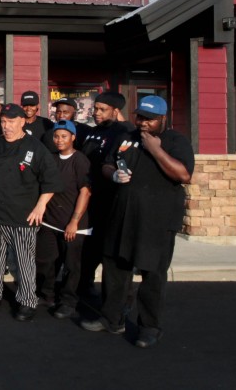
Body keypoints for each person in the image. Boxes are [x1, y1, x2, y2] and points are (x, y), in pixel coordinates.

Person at [80, 95, 194, 348]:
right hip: (122, 216)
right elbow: (107, 165)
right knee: (115, 269)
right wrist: (114, 175)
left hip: (157, 221)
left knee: (152, 275)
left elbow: (184, 175)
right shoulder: (127, 137)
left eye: (150, 120)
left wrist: (155, 150)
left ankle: (149, 327)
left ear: (163, 118)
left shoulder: (176, 141)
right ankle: (112, 319)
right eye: (140, 117)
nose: (143, 123)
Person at [0, 103, 61, 321]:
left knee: (24, 261)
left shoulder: (35, 147)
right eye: (3, 121)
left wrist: (40, 205)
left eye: (11, 122)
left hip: (22, 216)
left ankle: (27, 300)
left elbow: (51, 181)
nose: (6, 126)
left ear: (22, 122)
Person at [36, 120, 90, 319]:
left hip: (72, 223)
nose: (59, 140)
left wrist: (74, 222)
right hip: (50, 221)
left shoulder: (80, 160)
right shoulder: (51, 159)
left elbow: (85, 192)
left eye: (64, 136)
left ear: (73, 138)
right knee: (46, 261)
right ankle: (46, 294)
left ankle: (68, 301)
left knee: (71, 265)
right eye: (56, 136)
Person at [77, 91, 130, 297]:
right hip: (90, 196)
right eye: (95, 108)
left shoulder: (124, 132)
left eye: (102, 110)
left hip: (112, 198)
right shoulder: (92, 132)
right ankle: (84, 285)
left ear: (116, 111)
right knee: (88, 246)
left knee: (107, 247)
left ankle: (116, 299)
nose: (96, 113)